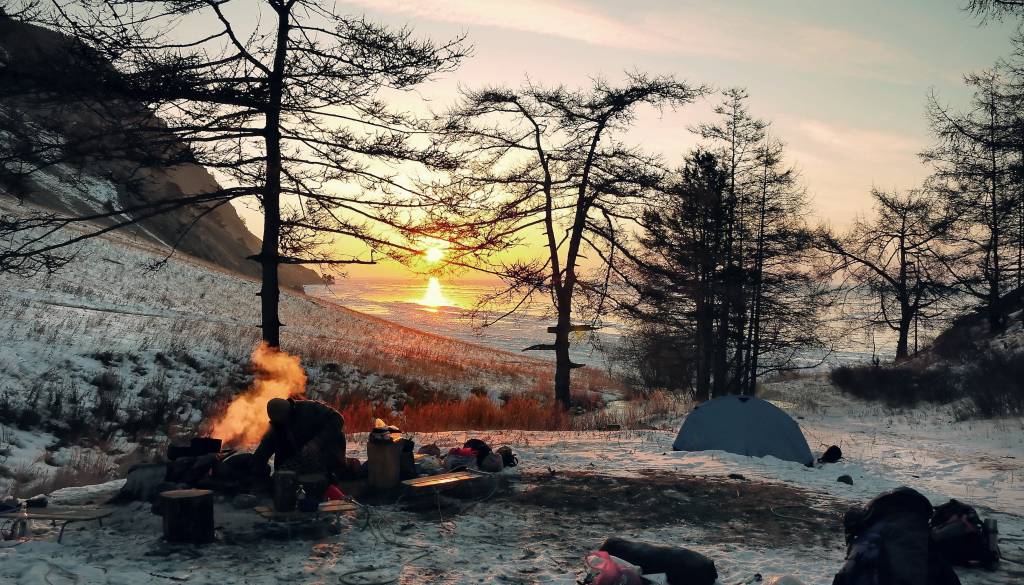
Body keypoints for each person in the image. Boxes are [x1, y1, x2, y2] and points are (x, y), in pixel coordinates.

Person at [253, 398, 347, 477]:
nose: (284, 423)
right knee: (282, 476)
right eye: (280, 422)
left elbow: (337, 418)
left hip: (325, 454)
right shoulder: (276, 427)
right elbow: (263, 451)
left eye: (285, 419)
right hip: (298, 460)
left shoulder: (309, 409)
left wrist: (317, 442)